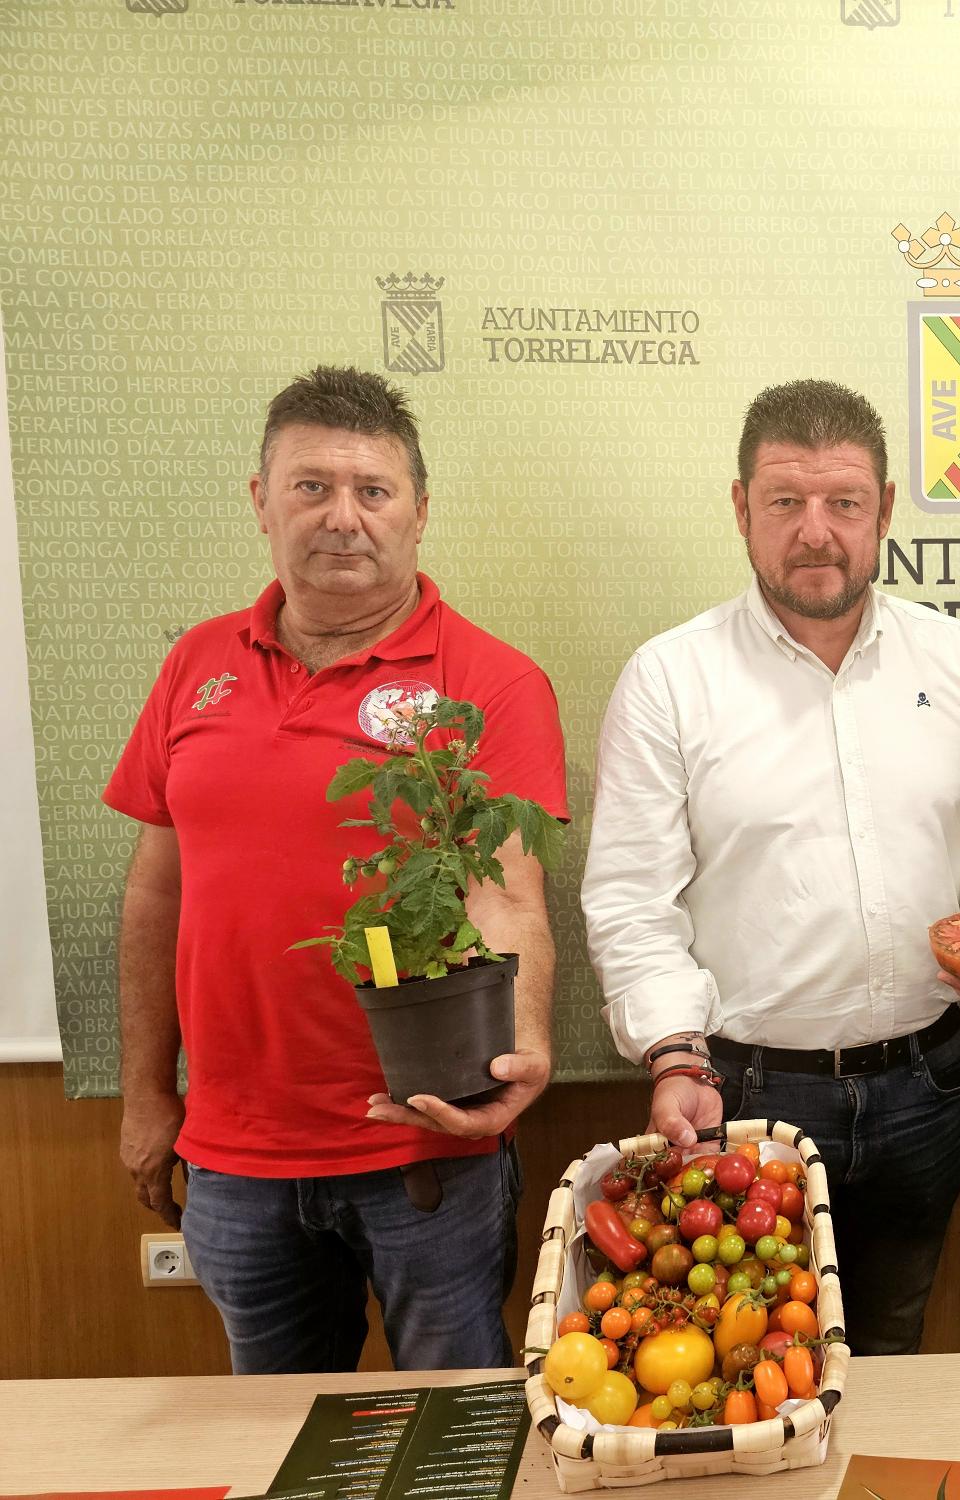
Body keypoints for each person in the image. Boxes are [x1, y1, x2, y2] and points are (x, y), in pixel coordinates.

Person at [107, 365, 567, 1373]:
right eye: (311, 486)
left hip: (423, 1147)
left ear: (418, 513)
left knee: (455, 1434)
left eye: (373, 490)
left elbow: (504, 891)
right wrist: (146, 1093)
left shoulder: (489, 681)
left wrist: (519, 1043)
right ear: (261, 501)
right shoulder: (195, 664)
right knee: (273, 1443)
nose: (342, 517)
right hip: (233, 1157)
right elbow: (157, 890)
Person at [582, 378, 960, 1356]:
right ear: (740, 508)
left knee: (892, 1347)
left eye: (843, 503)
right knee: (749, 1367)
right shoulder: (671, 677)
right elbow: (632, 898)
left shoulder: (955, 661)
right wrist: (672, 1053)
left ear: (883, 509)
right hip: (744, 1100)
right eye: (784, 502)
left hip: (925, 1083)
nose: (815, 532)